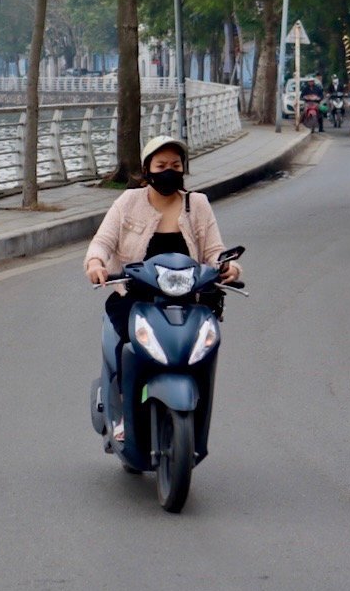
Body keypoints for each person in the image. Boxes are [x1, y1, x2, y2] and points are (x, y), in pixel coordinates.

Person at [84, 136, 242, 442]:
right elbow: (102, 242)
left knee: (203, 345)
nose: (169, 171)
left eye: (175, 165)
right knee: (127, 341)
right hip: (136, 296)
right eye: (161, 165)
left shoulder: (197, 204)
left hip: (189, 299)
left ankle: (196, 406)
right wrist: (95, 264)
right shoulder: (128, 202)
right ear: (147, 170)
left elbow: (214, 251)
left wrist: (228, 268)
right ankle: (120, 409)